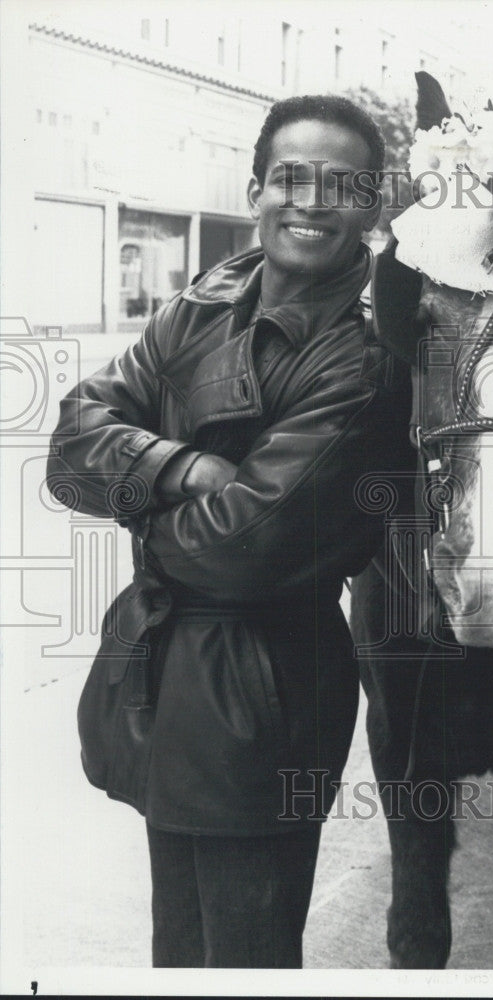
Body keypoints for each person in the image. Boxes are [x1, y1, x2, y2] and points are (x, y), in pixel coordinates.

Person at [46, 95, 411, 968]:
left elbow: (246, 549)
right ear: (255, 189)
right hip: (163, 667)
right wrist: (187, 470)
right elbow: (71, 443)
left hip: (266, 687)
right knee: (179, 942)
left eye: (342, 185)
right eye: (291, 177)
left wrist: (141, 487)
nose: (312, 201)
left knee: (243, 954)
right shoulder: (203, 304)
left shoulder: (367, 355)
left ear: (374, 205)